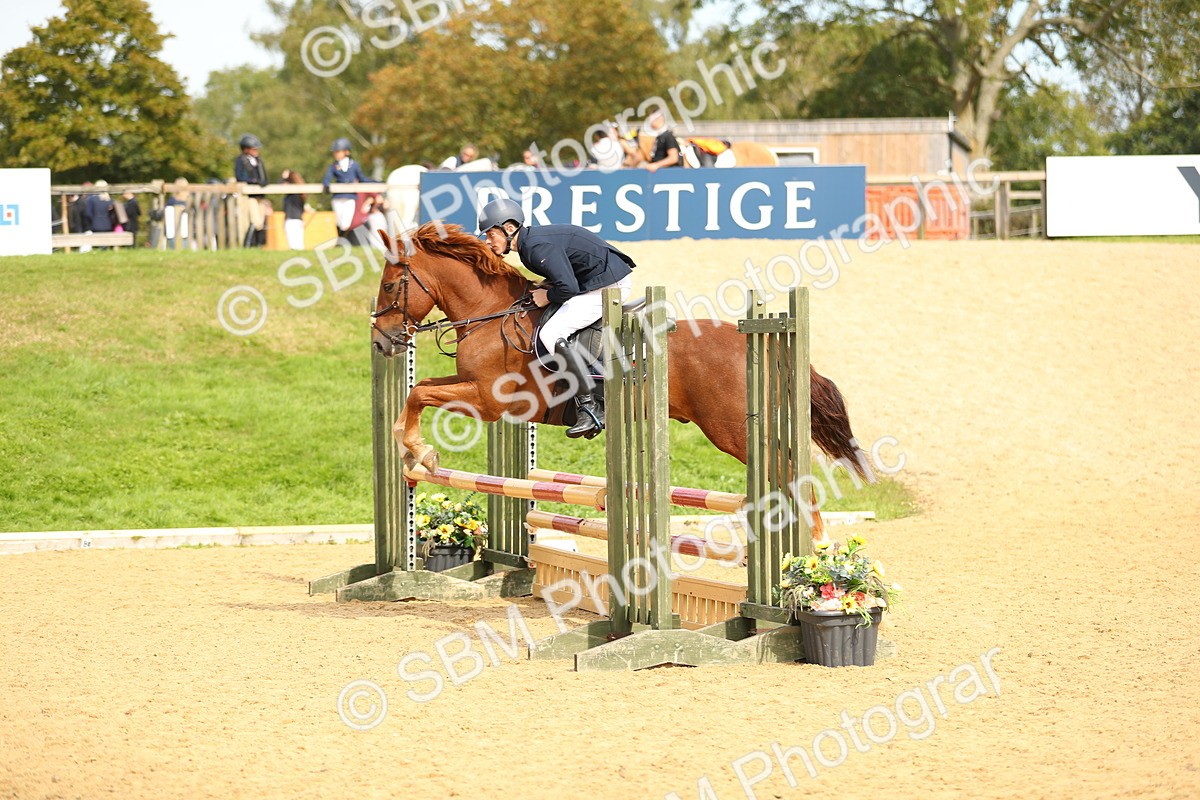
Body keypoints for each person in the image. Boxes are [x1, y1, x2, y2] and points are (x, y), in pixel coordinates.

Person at [477, 197, 635, 438]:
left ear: (509, 229)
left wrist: (548, 296)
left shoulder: (534, 247)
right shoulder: (529, 245)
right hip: (594, 281)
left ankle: (590, 406)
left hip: (608, 286)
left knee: (552, 333)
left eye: (490, 235)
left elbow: (567, 287)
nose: (488, 242)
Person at [322, 137, 368, 241]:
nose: (335, 154)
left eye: (338, 151)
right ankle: (340, 241)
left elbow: (362, 178)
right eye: (335, 152)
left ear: (346, 152)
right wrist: (326, 185)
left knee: (346, 223)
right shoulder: (333, 166)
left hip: (350, 196)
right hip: (337, 196)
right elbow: (327, 178)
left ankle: (342, 240)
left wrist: (376, 182)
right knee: (339, 221)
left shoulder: (354, 165)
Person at [234, 134, 268, 247]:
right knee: (255, 220)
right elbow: (240, 177)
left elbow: (264, 176)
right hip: (249, 196)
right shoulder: (240, 161)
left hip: (260, 195)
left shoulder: (259, 161)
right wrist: (253, 181)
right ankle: (248, 244)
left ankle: (259, 245)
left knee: (261, 222)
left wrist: (263, 182)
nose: (256, 151)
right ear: (246, 149)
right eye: (254, 149)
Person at [280, 169, 308, 250]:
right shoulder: (301, 193)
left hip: (291, 219)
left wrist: (284, 178)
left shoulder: (291, 193)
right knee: (299, 244)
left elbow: (280, 185)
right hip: (299, 219)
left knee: (293, 245)